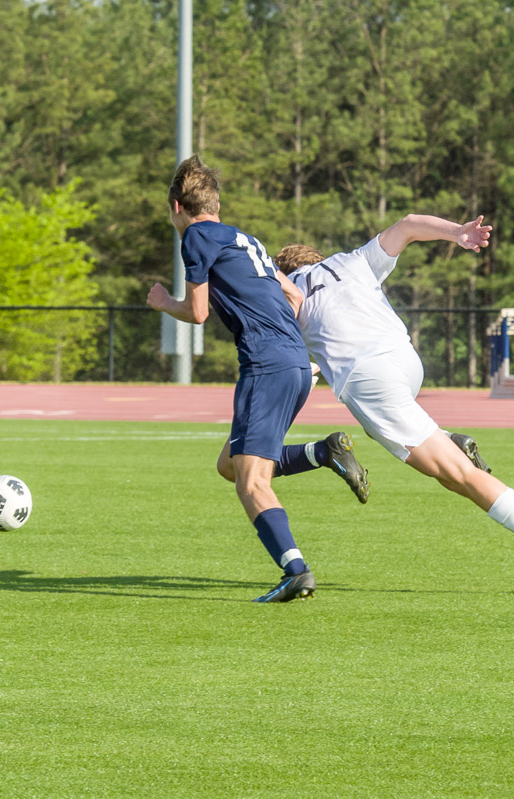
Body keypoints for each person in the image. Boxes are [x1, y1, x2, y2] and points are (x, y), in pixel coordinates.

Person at [274, 214, 514, 594]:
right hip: (405, 361)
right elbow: (407, 225)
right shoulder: (351, 260)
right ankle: (447, 438)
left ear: (287, 270)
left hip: (369, 378)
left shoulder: (289, 289)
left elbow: (295, 331)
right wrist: (458, 233)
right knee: (417, 454)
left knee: (460, 476)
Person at [146, 155, 369, 603]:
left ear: (176, 206)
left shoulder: (195, 237)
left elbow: (197, 312)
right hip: (295, 364)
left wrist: (163, 301)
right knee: (229, 465)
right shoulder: (247, 240)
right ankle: (322, 452)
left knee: (251, 483)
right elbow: (293, 292)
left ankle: (296, 570)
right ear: (216, 203)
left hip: (265, 366)